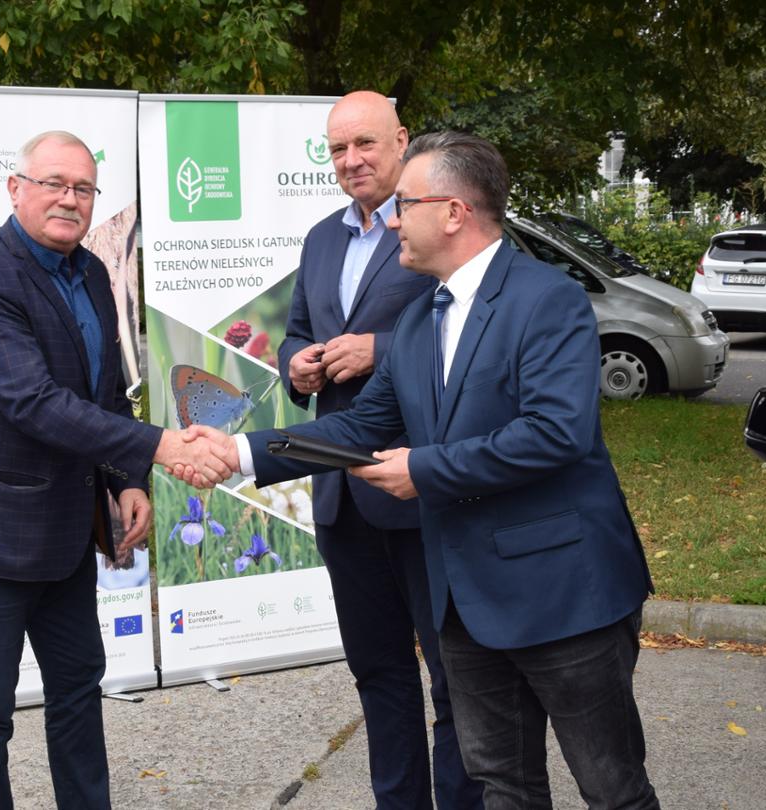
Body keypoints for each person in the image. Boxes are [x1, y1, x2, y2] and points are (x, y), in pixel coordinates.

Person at [178, 132, 661, 809]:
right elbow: (358, 426)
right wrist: (244, 453)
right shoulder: (420, 318)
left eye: (406, 204)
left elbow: (556, 433)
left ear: (456, 211)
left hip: (564, 594)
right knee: (504, 786)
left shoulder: (546, 299)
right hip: (463, 603)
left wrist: (426, 471)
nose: (394, 219)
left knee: (612, 788)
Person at [0, 130, 230, 810]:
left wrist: (127, 479)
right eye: (53, 183)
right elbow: (34, 403)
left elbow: (105, 392)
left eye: (83, 188)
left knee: (79, 694)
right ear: (15, 189)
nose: (68, 199)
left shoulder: (89, 271)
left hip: (64, 536)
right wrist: (161, 447)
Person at [277, 90, 478, 810]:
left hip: (422, 488)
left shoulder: (442, 224)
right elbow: (298, 329)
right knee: (379, 676)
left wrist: (380, 350)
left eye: (365, 144)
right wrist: (295, 363)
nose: (351, 160)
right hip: (343, 495)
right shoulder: (321, 239)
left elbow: (476, 330)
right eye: (337, 149)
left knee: (457, 680)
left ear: (401, 141)